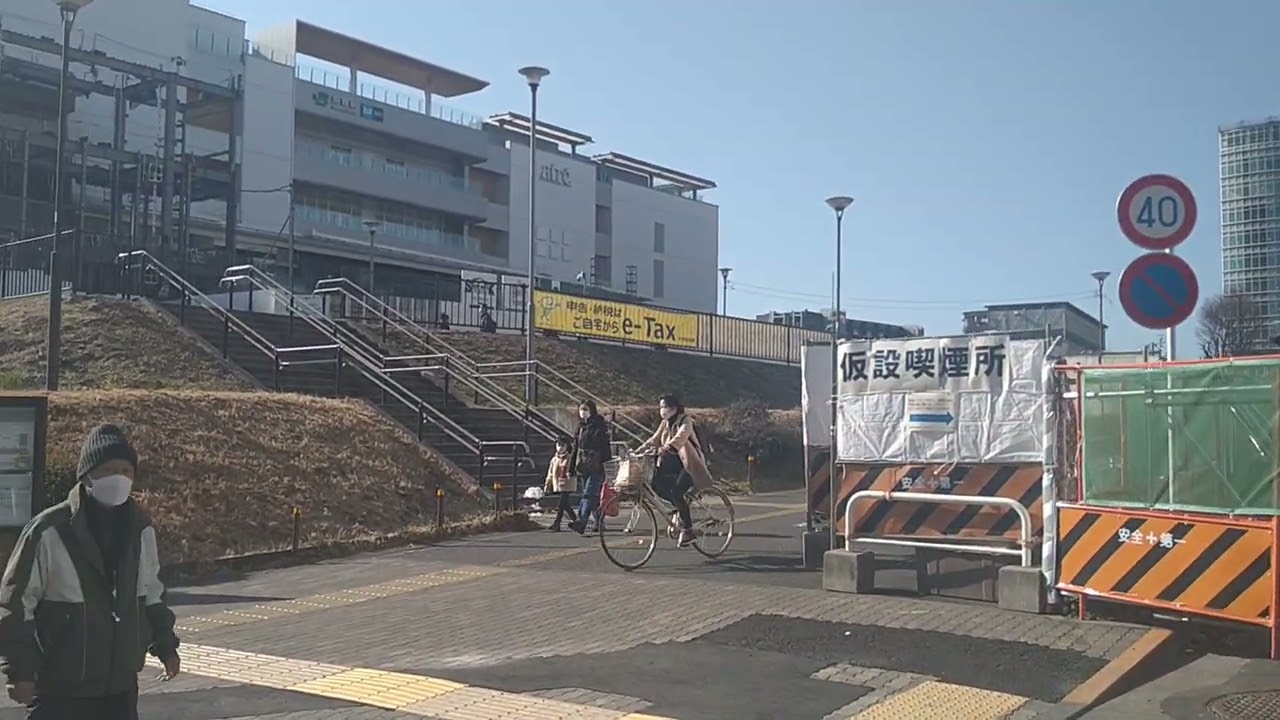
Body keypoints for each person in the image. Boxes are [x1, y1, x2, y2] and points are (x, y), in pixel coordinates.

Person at [0, 424, 181, 720]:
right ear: (86, 476)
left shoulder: (140, 530)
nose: (119, 478)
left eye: (126, 470)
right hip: (61, 690)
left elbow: (152, 596)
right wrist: (19, 671)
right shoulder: (49, 531)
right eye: (109, 469)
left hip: (120, 690)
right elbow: (14, 604)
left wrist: (166, 645)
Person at [636, 394, 713, 547]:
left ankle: (688, 530)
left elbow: (682, 436)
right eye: (661, 407)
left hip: (688, 464)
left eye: (665, 407)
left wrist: (668, 446)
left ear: (674, 408)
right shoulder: (665, 423)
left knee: (677, 492)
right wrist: (638, 451)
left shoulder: (686, 420)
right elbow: (654, 439)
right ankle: (679, 508)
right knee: (656, 485)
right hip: (671, 463)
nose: (662, 410)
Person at [568, 400, 612, 535]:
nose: (583, 412)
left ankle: (582, 521)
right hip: (582, 465)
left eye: (586, 409)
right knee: (591, 496)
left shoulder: (599, 426)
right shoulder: (580, 427)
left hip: (596, 465)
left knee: (588, 493)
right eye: (581, 409)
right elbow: (575, 448)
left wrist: (607, 465)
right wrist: (571, 468)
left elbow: (605, 446)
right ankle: (599, 519)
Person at [543, 436, 578, 532]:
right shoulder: (554, 459)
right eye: (558, 445)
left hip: (567, 484)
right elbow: (550, 474)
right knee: (566, 505)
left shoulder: (570, 458)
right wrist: (547, 485)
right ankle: (577, 521)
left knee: (561, 505)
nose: (560, 447)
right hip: (557, 485)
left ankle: (557, 523)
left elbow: (573, 470)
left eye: (563, 445)